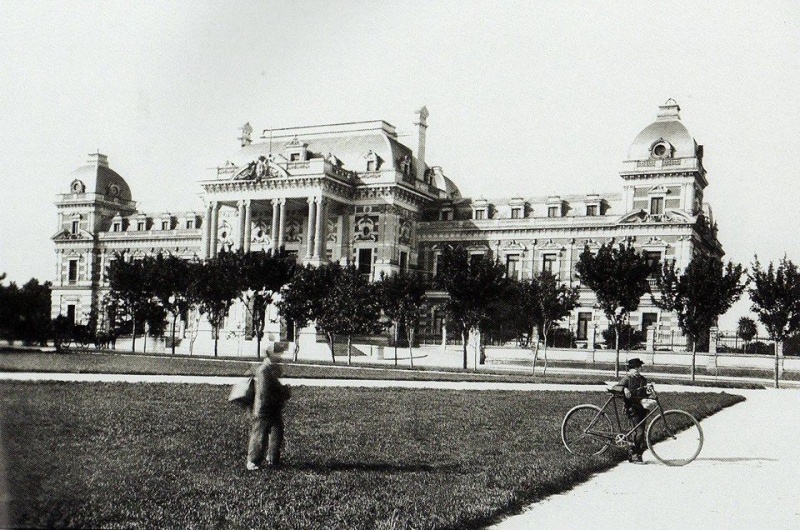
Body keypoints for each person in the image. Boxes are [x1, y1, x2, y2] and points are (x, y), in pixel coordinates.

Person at [246, 355, 290, 471]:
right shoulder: (264, 371)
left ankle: (272, 458)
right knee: (259, 435)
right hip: (264, 409)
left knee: (277, 431)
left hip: (272, 407)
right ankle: (253, 461)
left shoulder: (271, 369)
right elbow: (264, 393)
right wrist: (283, 392)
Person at [616, 357, 654, 463]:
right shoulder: (627, 379)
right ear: (630, 369)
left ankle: (637, 454)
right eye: (634, 368)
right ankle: (634, 454)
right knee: (639, 432)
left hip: (642, 408)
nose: (637, 370)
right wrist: (624, 389)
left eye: (639, 367)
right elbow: (616, 387)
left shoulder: (643, 380)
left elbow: (645, 393)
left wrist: (649, 393)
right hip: (632, 408)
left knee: (640, 432)